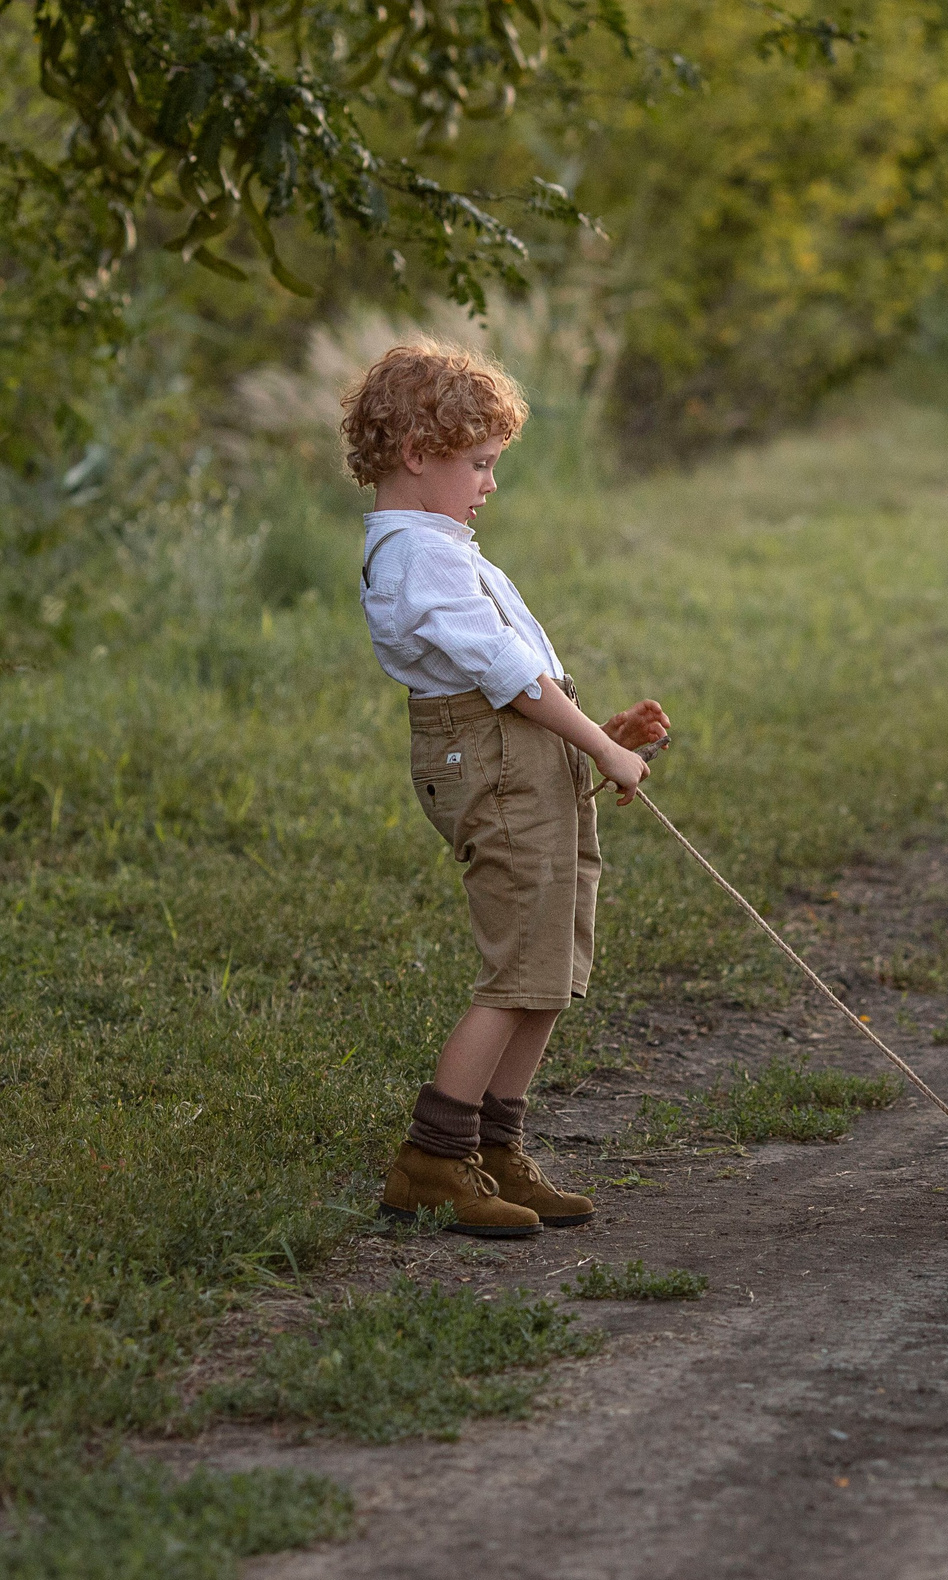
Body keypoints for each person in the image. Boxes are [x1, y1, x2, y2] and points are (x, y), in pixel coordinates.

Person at [341, 340, 670, 1236]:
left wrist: (601, 731)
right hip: (490, 761)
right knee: (517, 967)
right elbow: (503, 679)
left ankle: (495, 1149)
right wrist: (600, 745)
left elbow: (520, 676)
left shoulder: (443, 544)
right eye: (479, 464)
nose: (490, 483)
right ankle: (432, 1162)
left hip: (523, 753)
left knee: (550, 965)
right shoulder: (417, 554)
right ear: (417, 453)